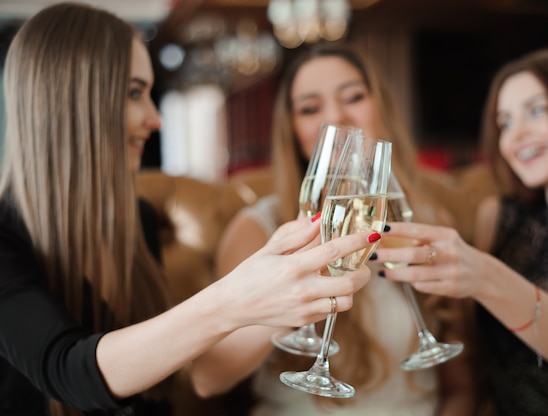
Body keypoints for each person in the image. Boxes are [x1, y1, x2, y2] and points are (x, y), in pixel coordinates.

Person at [0, 3, 377, 415]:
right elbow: (69, 371)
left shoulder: (137, 219)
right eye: (133, 93)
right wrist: (234, 300)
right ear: (69, 100)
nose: (155, 118)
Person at [192, 43, 476, 415]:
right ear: (293, 129)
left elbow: (461, 387)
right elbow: (208, 379)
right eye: (311, 108)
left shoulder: (429, 223)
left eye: (353, 97)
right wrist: (286, 289)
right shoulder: (258, 230)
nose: (337, 116)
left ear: (382, 108)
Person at [372, 48, 548, 415]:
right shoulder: (498, 215)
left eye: (537, 110)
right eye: (504, 122)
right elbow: (473, 353)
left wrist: (483, 275)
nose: (516, 134)